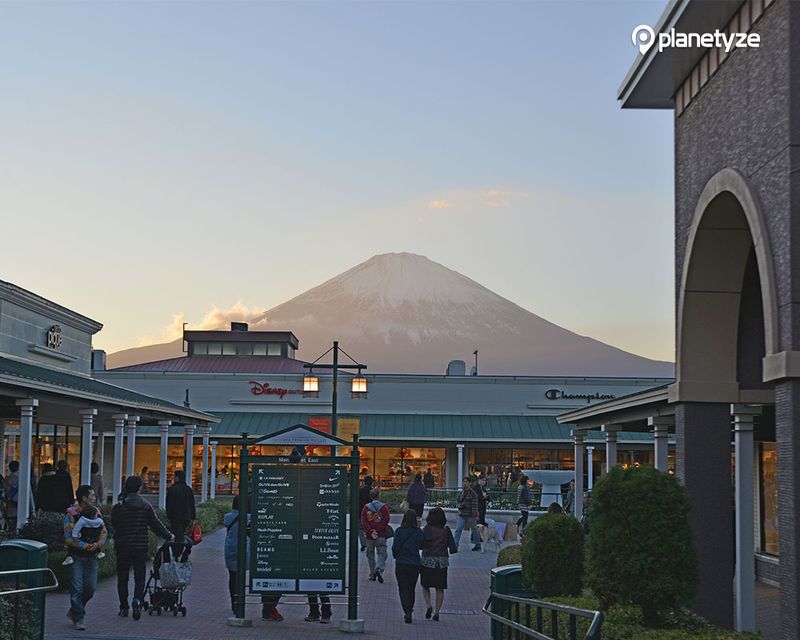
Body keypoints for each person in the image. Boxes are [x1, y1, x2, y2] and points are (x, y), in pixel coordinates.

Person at [112, 475, 173, 620]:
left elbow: (114, 524)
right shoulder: (145, 505)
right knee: (139, 576)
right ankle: (137, 600)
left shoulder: (120, 506)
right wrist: (169, 535)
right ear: (139, 488)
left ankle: (123, 607)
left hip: (123, 545)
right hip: (140, 546)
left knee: (122, 577)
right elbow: (155, 524)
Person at [223, 496, 283, 621]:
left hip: (230, 549)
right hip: (245, 550)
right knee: (250, 575)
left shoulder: (227, 517)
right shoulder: (249, 518)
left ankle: (235, 602)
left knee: (233, 577)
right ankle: (263, 606)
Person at [64, 485, 107, 631]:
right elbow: (69, 538)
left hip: (92, 557)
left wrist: (99, 543)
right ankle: (79, 617)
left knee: (90, 588)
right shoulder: (71, 515)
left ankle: (75, 610)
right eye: (92, 495)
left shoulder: (96, 513)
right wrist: (85, 546)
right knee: (76, 588)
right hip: (76, 556)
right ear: (83, 498)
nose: (94, 498)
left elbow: (103, 531)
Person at [420, 506, 455, 622]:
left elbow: (421, 544)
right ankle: (437, 611)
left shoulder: (427, 529)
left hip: (427, 560)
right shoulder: (446, 530)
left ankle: (428, 605)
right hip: (442, 562)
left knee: (425, 585)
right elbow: (453, 547)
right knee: (440, 588)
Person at [392, 509, 424, 624]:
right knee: (411, 588)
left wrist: (396, 555)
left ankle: (407, 611)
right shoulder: (418, 532)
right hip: (414, 563)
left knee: (402, 588)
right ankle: (410, 609)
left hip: (401, 563)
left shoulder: (399, 531)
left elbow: (395, 547)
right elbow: (422, 545)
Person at [360, 487, 390, 582]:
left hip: (369, 536)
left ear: (370, 496)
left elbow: (364, 521)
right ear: (379, 496)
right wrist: (378, 529)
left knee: (370, 554)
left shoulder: (366, 508)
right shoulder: (383, 507)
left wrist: (370, 531)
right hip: (380, 534)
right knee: (382, 553)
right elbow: (386, 519)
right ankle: (379, 568)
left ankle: (372, 573)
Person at [166, 469, 196, 543]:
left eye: (174, 476)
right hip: (186, 516)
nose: (173, 478)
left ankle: (177, 551)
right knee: (182, 533)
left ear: (177, 478)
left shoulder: (173, 489)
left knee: (178, 535)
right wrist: (193, 517)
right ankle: (181, 549)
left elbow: (169, 504)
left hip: (176, 517)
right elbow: (192, 504)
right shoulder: (188, 489)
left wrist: (169, 516)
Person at [452, 477, 480, 550]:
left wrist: (474, 515)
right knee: (458, 529)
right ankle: (455, 544)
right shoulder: (462, 492)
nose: (465, 483)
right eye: (464, 481)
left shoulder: (473, 493)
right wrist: (459, 506)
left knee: (474, 530)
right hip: (462, 514)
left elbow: (475, 505)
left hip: (470, 515)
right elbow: (458, 501)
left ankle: (478, 544)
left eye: (466, 481)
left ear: (469, 483)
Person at [358, 475, 374, 552]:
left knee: (361, 529)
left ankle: (363, 544)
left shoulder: (360, 490)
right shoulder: (373, 491)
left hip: (361, 513)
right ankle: (370, 543)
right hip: (370, 514)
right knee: (370, 528)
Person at [3, 460, 19, 531]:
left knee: (11, 526)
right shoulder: (20, 479)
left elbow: (5, 492)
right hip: (18, 505)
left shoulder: (7, 479)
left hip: (10, 505)